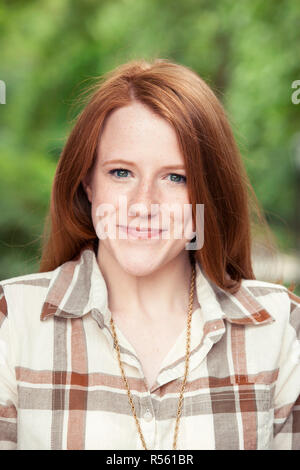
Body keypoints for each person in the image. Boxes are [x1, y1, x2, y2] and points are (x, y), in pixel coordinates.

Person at [0, 58, 299, 450]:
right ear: (88, 182)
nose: (143, 205)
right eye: (121, 172)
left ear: (207, 193)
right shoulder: (11, 323)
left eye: (176, 177)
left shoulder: (281, 331)